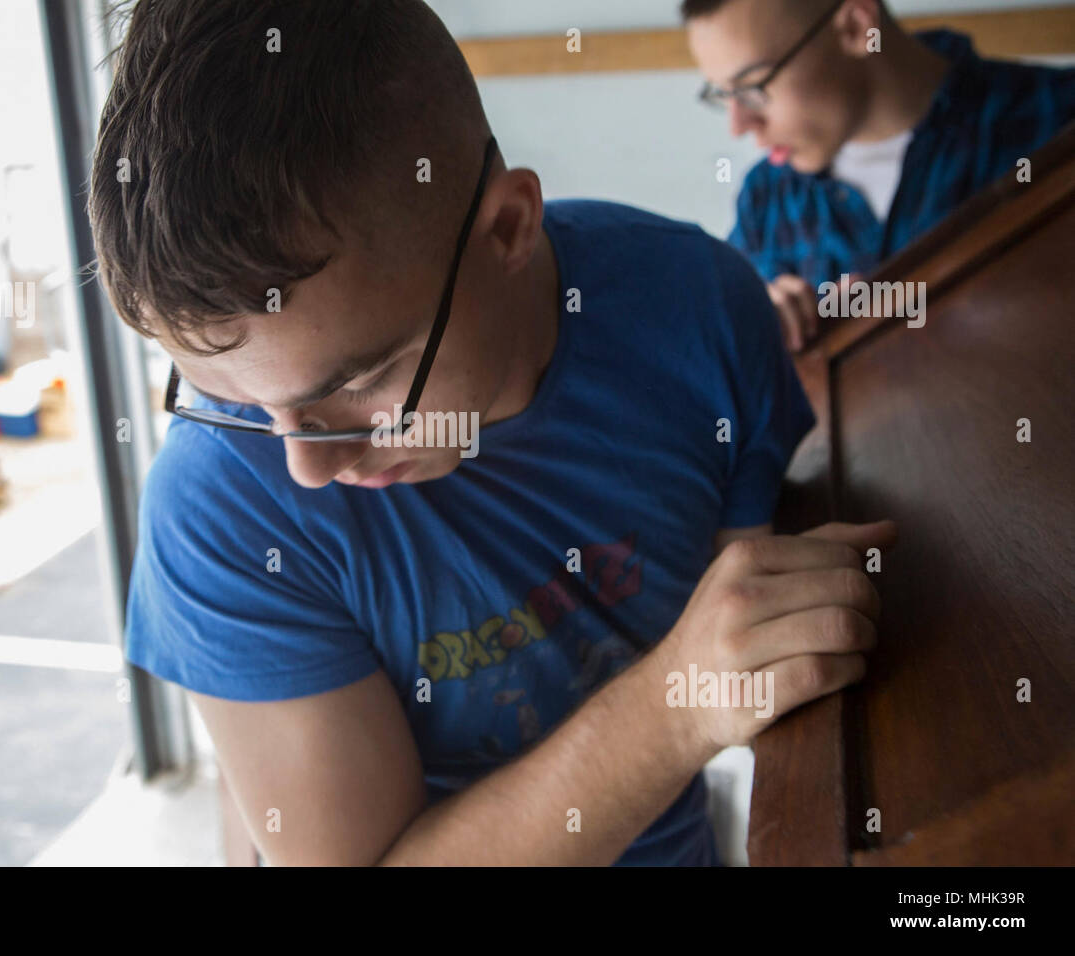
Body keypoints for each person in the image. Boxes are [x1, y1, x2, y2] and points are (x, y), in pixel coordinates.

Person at [90, 0, 895, 866]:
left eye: (359, 383)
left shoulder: (703, 308)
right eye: (230, 399)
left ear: (509, 227)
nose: (305, 466)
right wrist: (674, 708)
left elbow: (763, 640)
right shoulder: (216, 507)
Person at [684, 0, 1075, 351]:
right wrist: (763, 341)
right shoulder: (764, 197)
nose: (739, 126)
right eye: (723, 96)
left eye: (753, 87)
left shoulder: (1057, 119)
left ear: (857, 28)